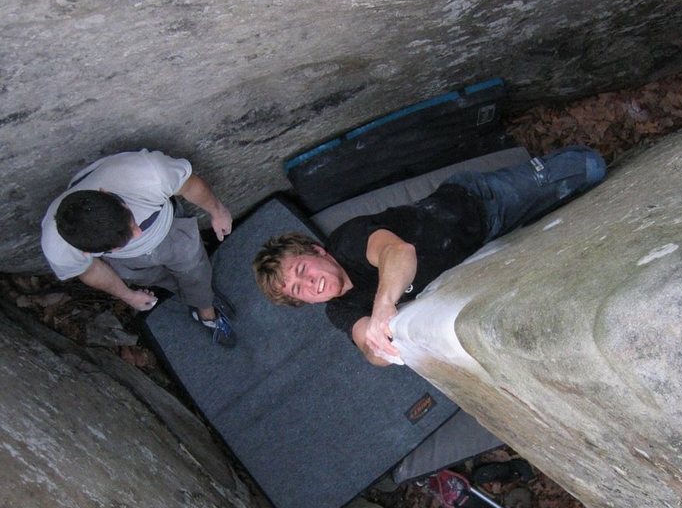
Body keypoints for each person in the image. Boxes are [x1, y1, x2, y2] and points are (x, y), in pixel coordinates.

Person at [253, 145, 607, 364]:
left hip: (479, 206)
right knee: (569, 213)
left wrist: (383, 307)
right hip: (485, 257)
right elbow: (366, 343)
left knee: (590, 166)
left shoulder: (347, 242)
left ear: (317, 252)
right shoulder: (338, 310)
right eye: (298, 290)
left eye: (302, 269)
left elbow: (398, 253)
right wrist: (378, 346)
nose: (309, 284)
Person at [41, 149, 235, 346]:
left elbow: (190, 185)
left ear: (106, 193)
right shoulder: (59, 248)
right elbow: (89, 270)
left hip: (169, 230)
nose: (137, 234)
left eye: (131, 222)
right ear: (87, 252)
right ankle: (196, 297)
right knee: (161, 279)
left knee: (195, 271)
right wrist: (129, 296)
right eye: (123, 240)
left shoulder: (146, 174)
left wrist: (218, 212)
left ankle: (205, 308)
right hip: (127, 262)